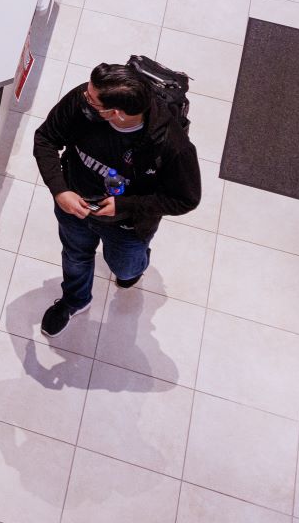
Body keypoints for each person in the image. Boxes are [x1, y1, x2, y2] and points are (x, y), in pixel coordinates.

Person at [31, 61, 201, 336]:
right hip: (74, 206)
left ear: (115, 114)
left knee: (125, 266)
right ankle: (74, 300)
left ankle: (134, 269)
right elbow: (46, 138)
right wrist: (60, 189)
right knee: (75, 255)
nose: (83, 98)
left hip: (127, 225)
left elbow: (185, 199)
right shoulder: (81, 101)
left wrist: (126, 206)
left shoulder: (173, 146)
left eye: (92, 99)